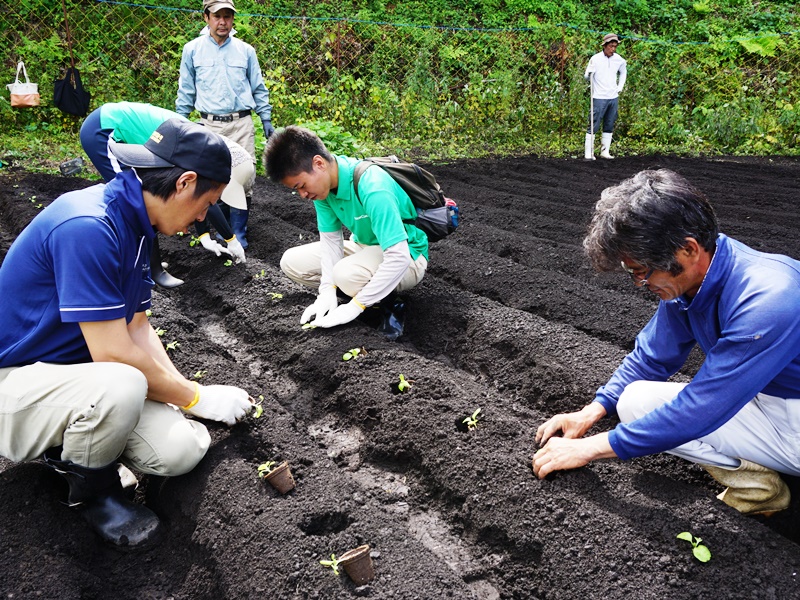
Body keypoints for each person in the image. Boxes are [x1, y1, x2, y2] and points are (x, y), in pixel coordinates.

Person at [0, 119, 254, 548]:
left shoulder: (136, 228)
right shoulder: (89, 226)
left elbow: (139, 328)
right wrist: (194, 395)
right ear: (184, 182)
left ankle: (84, 439)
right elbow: (115, 354)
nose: (200, 219)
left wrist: (186, 399)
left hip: (80, 376)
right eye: (206, 203)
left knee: (180, 450)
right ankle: (94, 494)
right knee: (123, 382)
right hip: (17, 384)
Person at [532, 169, 800, 516]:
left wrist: (591, 448)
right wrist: (589, 414)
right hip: (766, 398)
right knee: (634, 401)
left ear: (688, 249)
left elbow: (703, 408)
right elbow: (652, 358)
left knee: (684, 414)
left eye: (642, 270)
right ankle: (760, 488)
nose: (638, 282)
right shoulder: (691, 284)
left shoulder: (768, 300)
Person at [263, 125, 429, 340]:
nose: (303, 194)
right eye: (297, 190)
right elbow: (331, 244)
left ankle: (389, 304)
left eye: (301, 185)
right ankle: (364, 293)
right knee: (291, 262)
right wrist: (326, 291)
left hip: (407, 255)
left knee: (346, 275)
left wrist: (355, 306)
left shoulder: (373, 186)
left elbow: (398, 257)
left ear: (319, 163)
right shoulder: (324, 190)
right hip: (365, 247)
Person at [80, 101, 250, 287]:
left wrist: (205, 237)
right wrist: (231, 240)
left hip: (113, 125)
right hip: (104, 129)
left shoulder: (195, 143)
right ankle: (151, 270)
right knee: (136, 199)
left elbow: (200, 196)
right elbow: (204, 197)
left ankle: (147, 265)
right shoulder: (190, 146)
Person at [176, 0, 275, 249]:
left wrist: (266, 118)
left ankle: (239, 233)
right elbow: (186, 90)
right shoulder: (193, 50)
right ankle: (221, 232)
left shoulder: (245, 51)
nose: (223, 22)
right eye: (217, 16)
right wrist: (179, 121)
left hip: (241, 123)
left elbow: (258, 87)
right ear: (206, 17)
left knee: (245, 176)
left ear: (233, 19)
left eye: (228, 16)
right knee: (211, 178)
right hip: (209, 125)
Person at [584, 33, 627, 160]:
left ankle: (605, 151)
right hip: (598, 96)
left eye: (615, 46)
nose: (613, 49)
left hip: (613, 96)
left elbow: (623, 73)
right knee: (594, 123)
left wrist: (620, 88)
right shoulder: (595, 59)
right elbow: (587, 76)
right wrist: (589, 74)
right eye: (611, 46)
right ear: (605, 46)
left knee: (609, 122)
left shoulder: (619, 60)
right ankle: (588, 152)